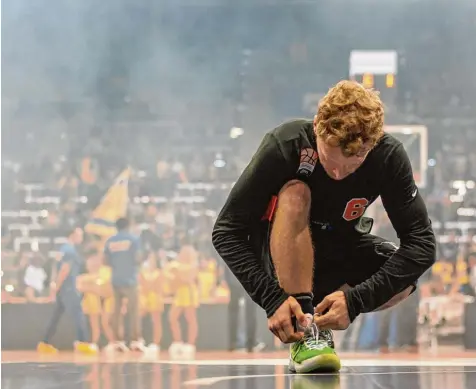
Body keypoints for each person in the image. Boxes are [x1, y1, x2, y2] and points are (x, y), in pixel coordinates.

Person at [212, 80, 436, 373]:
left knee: (405, 279)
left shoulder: (388, 156)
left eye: (352, 165)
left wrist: (355, 301)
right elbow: (226, 231)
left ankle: (317, 324)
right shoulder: (285, 144)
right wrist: (272, 298)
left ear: (373, 143)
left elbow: (422, 245)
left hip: (337, 247)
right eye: (330, 161)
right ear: (317, 126)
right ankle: (304, 331)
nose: (337, 174)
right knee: (296, 192)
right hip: (277, 254)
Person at [37, 226, 97, 354]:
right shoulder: (70, 250)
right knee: (78, 314)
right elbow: (64, 270)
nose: (81, 238)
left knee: (56, 316)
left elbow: (56, 268)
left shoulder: (62, 250)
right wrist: (56, 287)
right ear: (72, 235)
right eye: (79, 235)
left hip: (62, 288)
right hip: (69, 288)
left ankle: (45, 342)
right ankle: (83, 343)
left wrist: (55, 287)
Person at [104, 217, 143, 351]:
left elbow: (105, 261)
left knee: (116, 311)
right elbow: (137, 258)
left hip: (116, 279)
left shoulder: (110, 241)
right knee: (133, 311)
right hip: (130, 279)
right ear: (128, 225)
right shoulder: (133, 239)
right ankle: (135, 340)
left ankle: (117, 341)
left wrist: (117, 264)